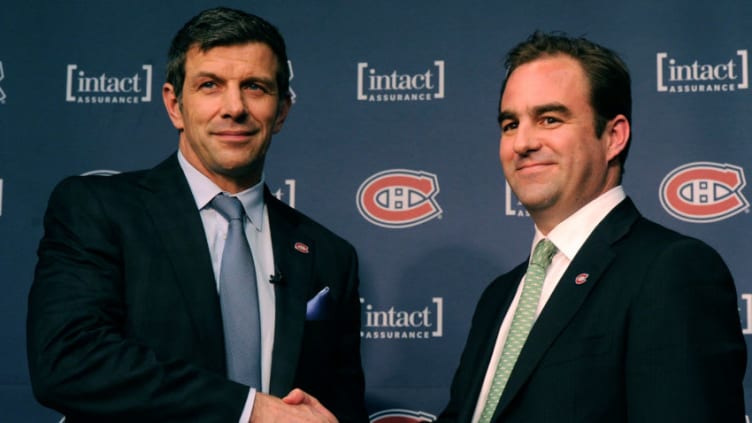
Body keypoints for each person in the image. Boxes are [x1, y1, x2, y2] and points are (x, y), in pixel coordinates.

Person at [27, 7, 367, 423]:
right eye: (210, 85)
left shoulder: (329, 255)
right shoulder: (98, 209)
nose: (234, 107)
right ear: (174, 105)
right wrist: (249, 410)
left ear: (281, 111)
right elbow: (69, 361)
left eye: (255, 87)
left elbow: (339, 409)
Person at [436, 31, 746, 422]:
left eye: (549, 119)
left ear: (613, 136)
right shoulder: (499, 296)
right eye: (510, 124)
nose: (523, 142)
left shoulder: (671, 270)